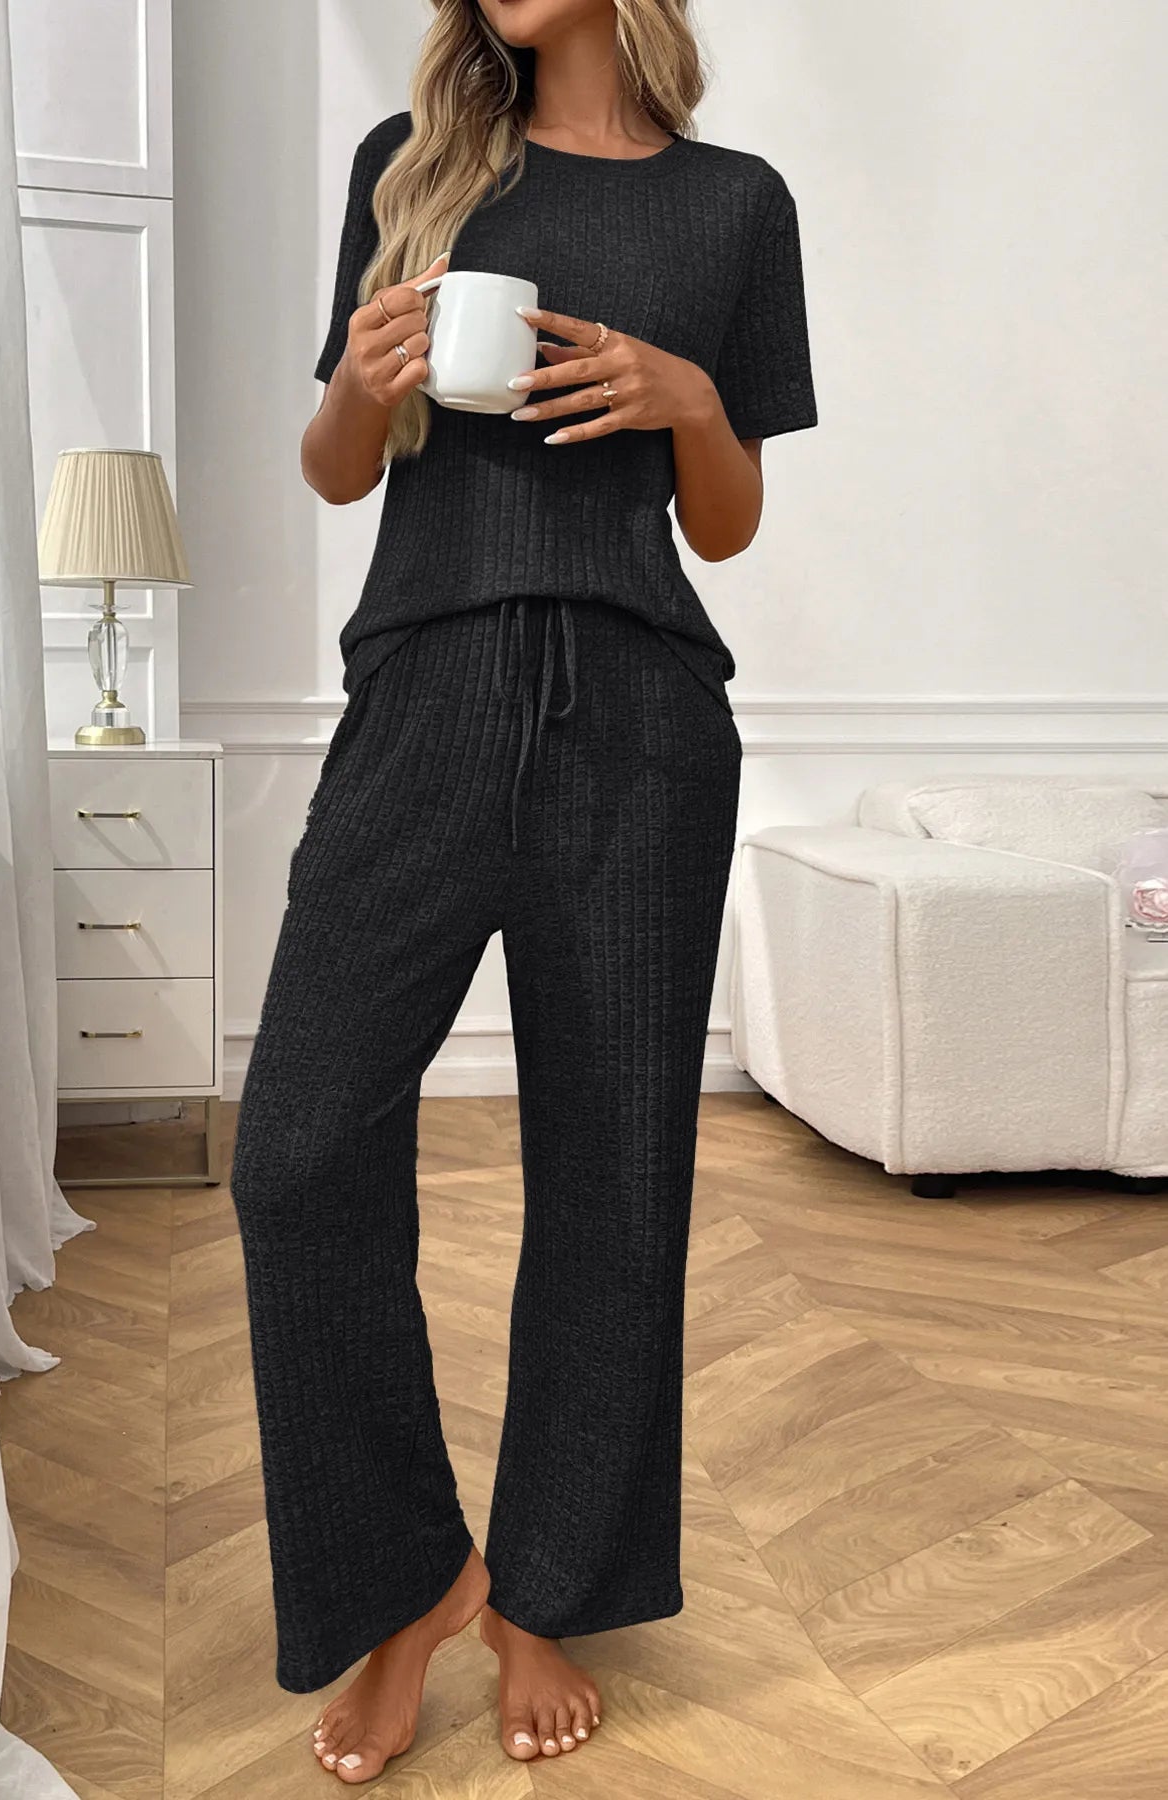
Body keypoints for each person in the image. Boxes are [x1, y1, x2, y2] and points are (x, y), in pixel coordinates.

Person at [230, 0, 817, 1783]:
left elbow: (722, 526)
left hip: (639, 716)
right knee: (300, 1146)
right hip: (426, 683)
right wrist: (363, 381)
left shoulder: (733, 206)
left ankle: (542, 1588)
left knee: (615, 1177)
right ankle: (407, 1581)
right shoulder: (408, 173)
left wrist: (691, 400)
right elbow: (337, 472)